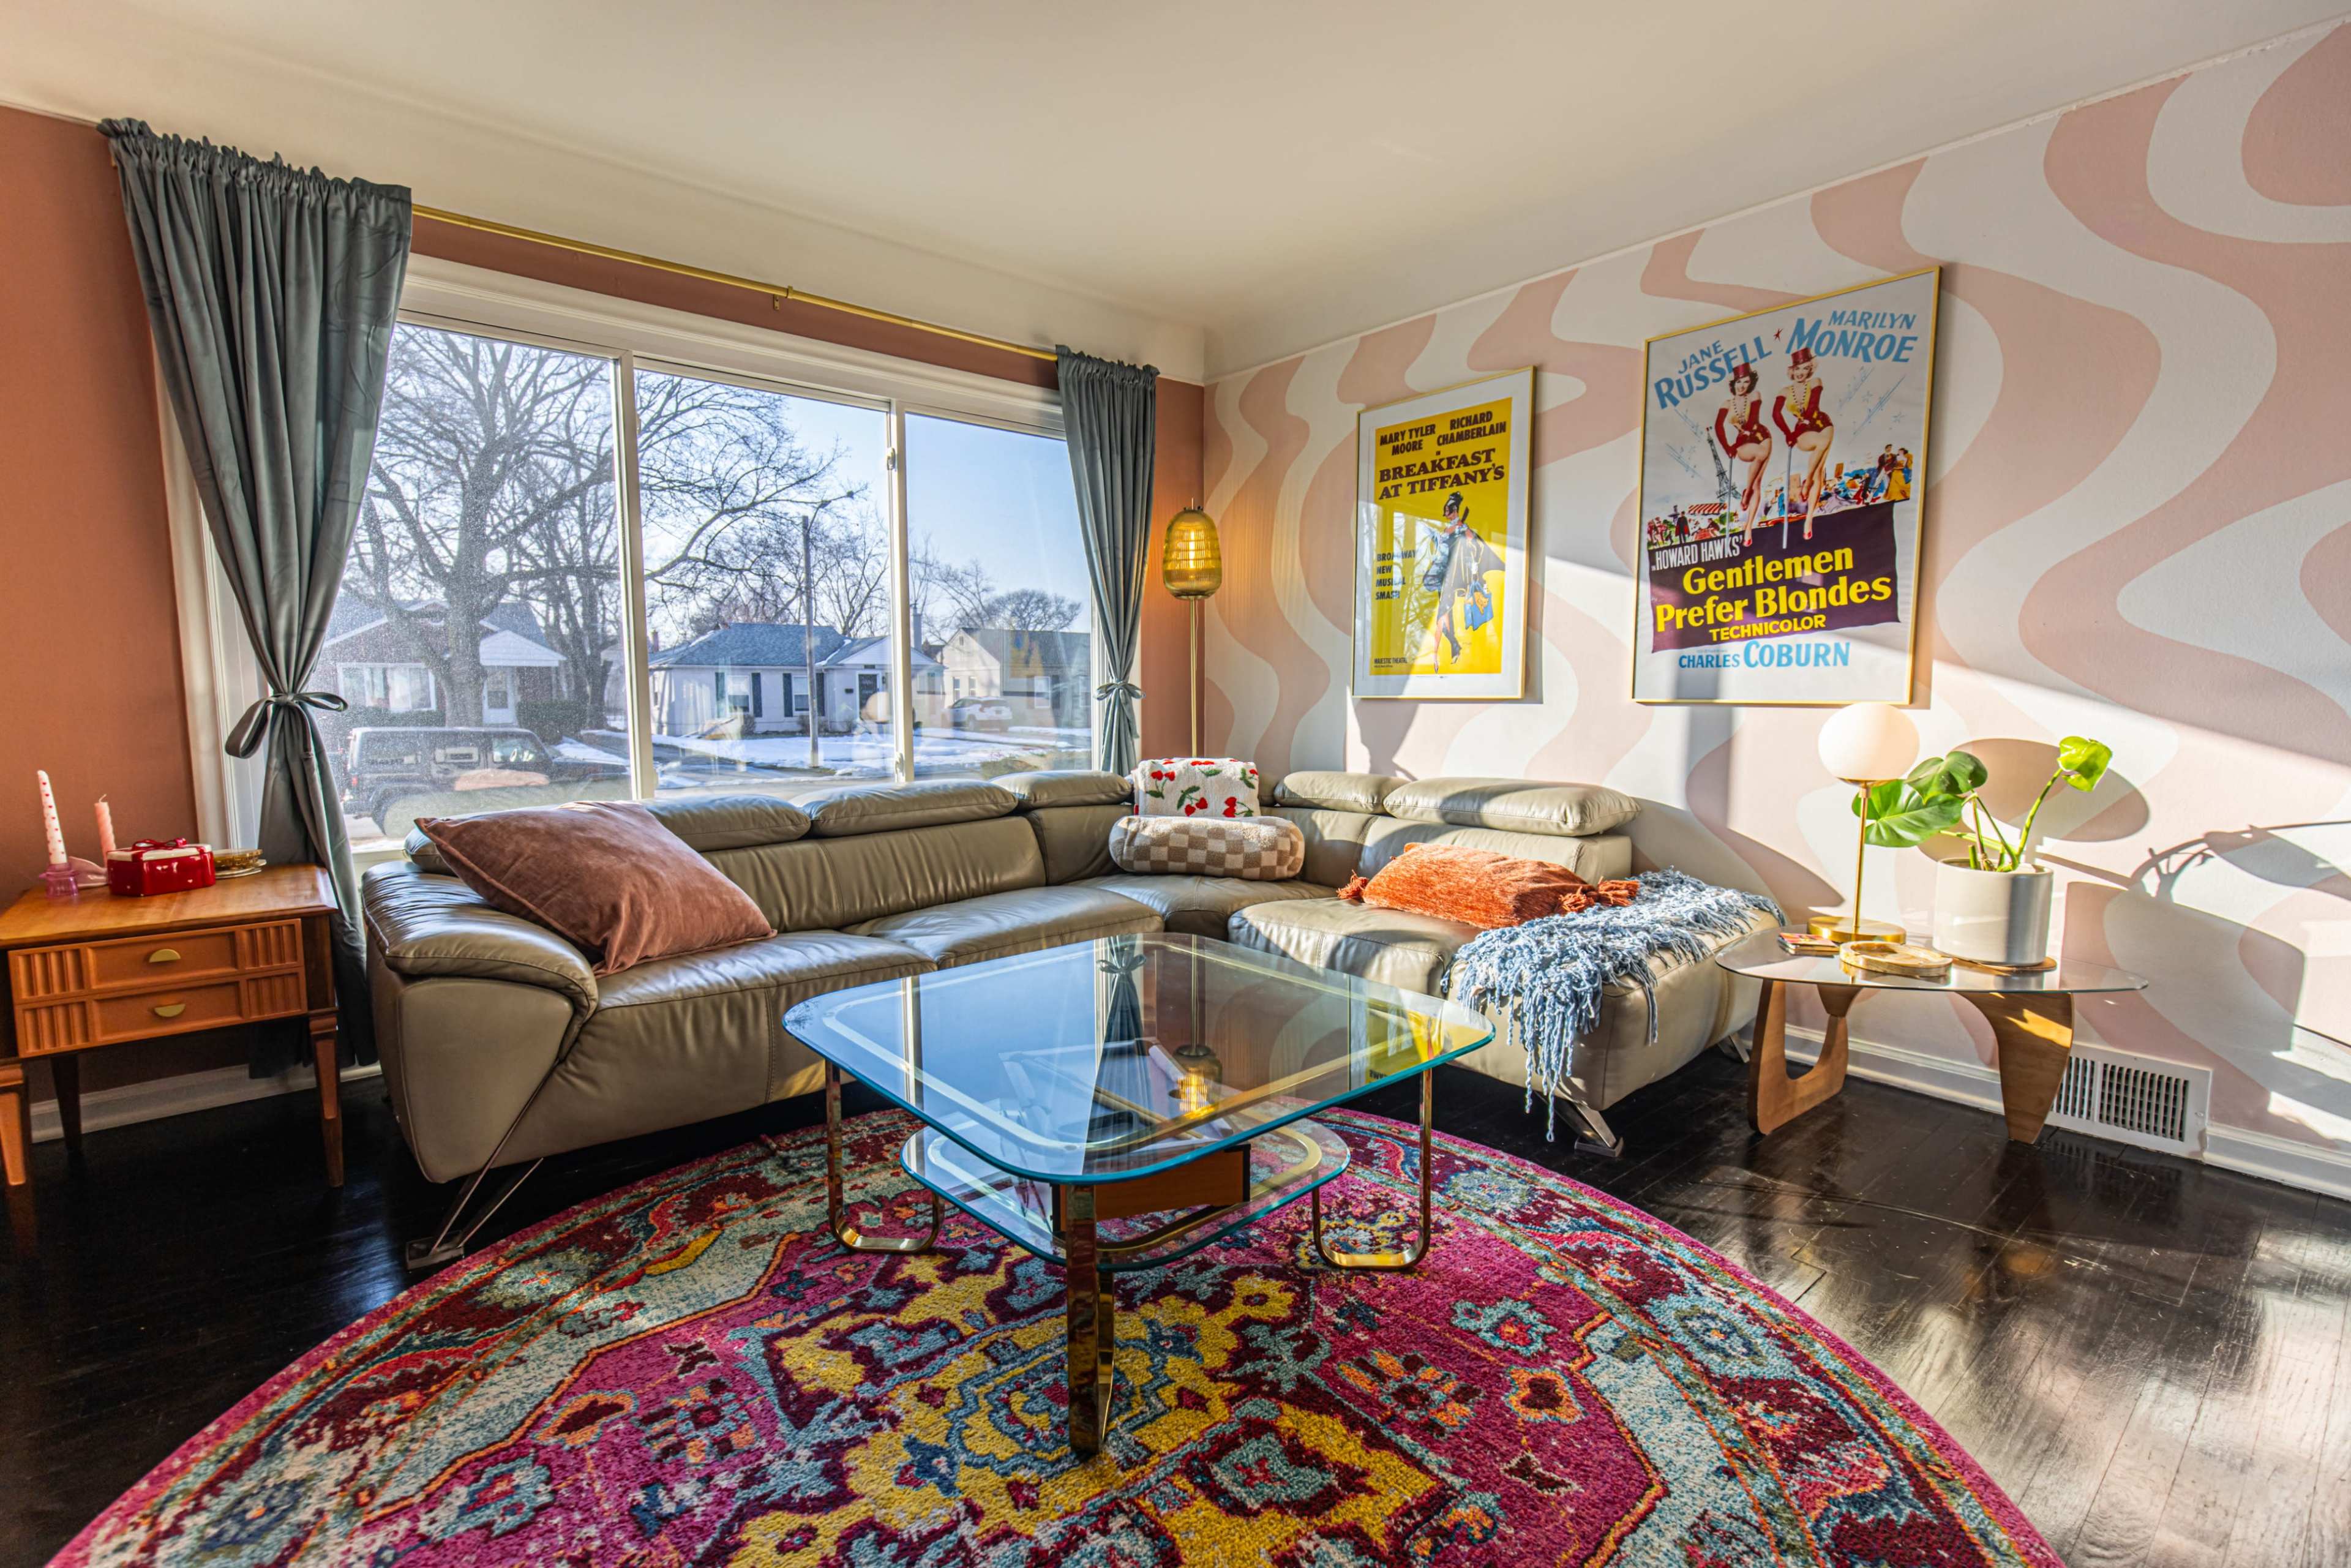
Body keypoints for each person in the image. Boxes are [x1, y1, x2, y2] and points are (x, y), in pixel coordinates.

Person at [1417, 489, 1503, 666]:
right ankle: (1453, 646)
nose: (1446, 515)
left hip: (1452, 577)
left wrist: (1473, 571)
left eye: (1448, 511)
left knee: (1442, 614)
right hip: (1440, 576)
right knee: (1444, 616)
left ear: (1454, 510)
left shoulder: (1462, 529)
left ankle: (1440, 654)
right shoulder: (1447, 529)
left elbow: (1474, 548)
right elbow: (1441, 547)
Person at [1771, 347, 1835, 538]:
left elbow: (1814, 403)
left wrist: (1808, 416)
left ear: (1810, 370)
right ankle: (1807, 483)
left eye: (1805, 369)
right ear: (1792, 370)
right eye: (1798, 369)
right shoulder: (1785, 391)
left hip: (1823, 423)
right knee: (1821, 445)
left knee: (1820, 473)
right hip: (1803, 430)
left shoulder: (1816, 382)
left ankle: (1809, 519)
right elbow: (1776, 414)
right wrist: (1788, 433)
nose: (1801, 373)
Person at [1714, 362, 1774, 542]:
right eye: (1739, 381)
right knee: (1760, 455)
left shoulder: (1755, 395)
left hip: (1763, 436)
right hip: (1744, 443)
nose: (1742, 386)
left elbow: (1754, 416)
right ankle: (1747, 491)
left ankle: (1748, 529)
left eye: (1746, 382)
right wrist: (1727, 447)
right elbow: (1718, 427)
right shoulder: (1727, 403)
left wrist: (1748, 428)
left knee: (1758, 484)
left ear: (1751, 383)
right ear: (1733, 383)